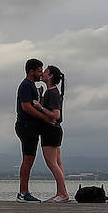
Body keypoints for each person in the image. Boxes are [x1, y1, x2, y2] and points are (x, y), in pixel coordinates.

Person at [15, 59, 45, 202]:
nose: (41, 73)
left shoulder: (31, 85)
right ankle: (23, 193)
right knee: (28, 159)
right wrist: (45, 118)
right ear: (31, 71)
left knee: (29, 159)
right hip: (26, 126)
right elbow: (26, 107)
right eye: (39, 71)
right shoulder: (26, 85)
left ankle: (24, 192)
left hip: (29, 126)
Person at [38, 65, 69, 202]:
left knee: (52, 163)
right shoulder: (50, 92)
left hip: (50, 130)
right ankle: (61, 193)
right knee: (57, 163)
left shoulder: (53, 93)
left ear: (50, 76)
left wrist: (39, 107)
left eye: (45, 72)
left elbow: (56, 115)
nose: (42, 73)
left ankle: (63, 194)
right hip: (54, 130)